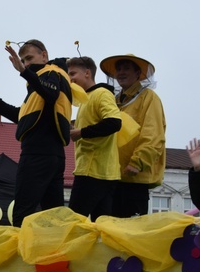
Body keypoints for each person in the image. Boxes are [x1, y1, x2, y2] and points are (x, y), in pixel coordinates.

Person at [0, 39, 72, 227]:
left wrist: (24, 72)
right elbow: (21, 116)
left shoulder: (52, 74)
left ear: (44, 55)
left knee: (21, 213)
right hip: (53, 155)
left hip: (37, 153)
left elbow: (51, 93)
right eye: (23, 61)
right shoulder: (39, 86)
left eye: (29, 58)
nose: (26, 64)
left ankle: (20, 253)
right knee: (54, 214)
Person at [100, 54, 166, 217]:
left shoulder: (148, 98)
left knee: (129, 232)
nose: (121, 73)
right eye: (119, 69)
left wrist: (139, 161)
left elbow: (153, 133)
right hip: (111, 177)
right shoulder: (115, 101)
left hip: (133, 178)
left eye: (126, 68)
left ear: (138, 74)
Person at [66, 56, 122, 221]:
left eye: (73, 74)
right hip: (102, 173)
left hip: (92, 171)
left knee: (73, 222)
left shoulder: (101, 93)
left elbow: (114, 122)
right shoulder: (85, 99)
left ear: (87, 73)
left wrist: (80, 133)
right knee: (101, 225)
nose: (70, 79)